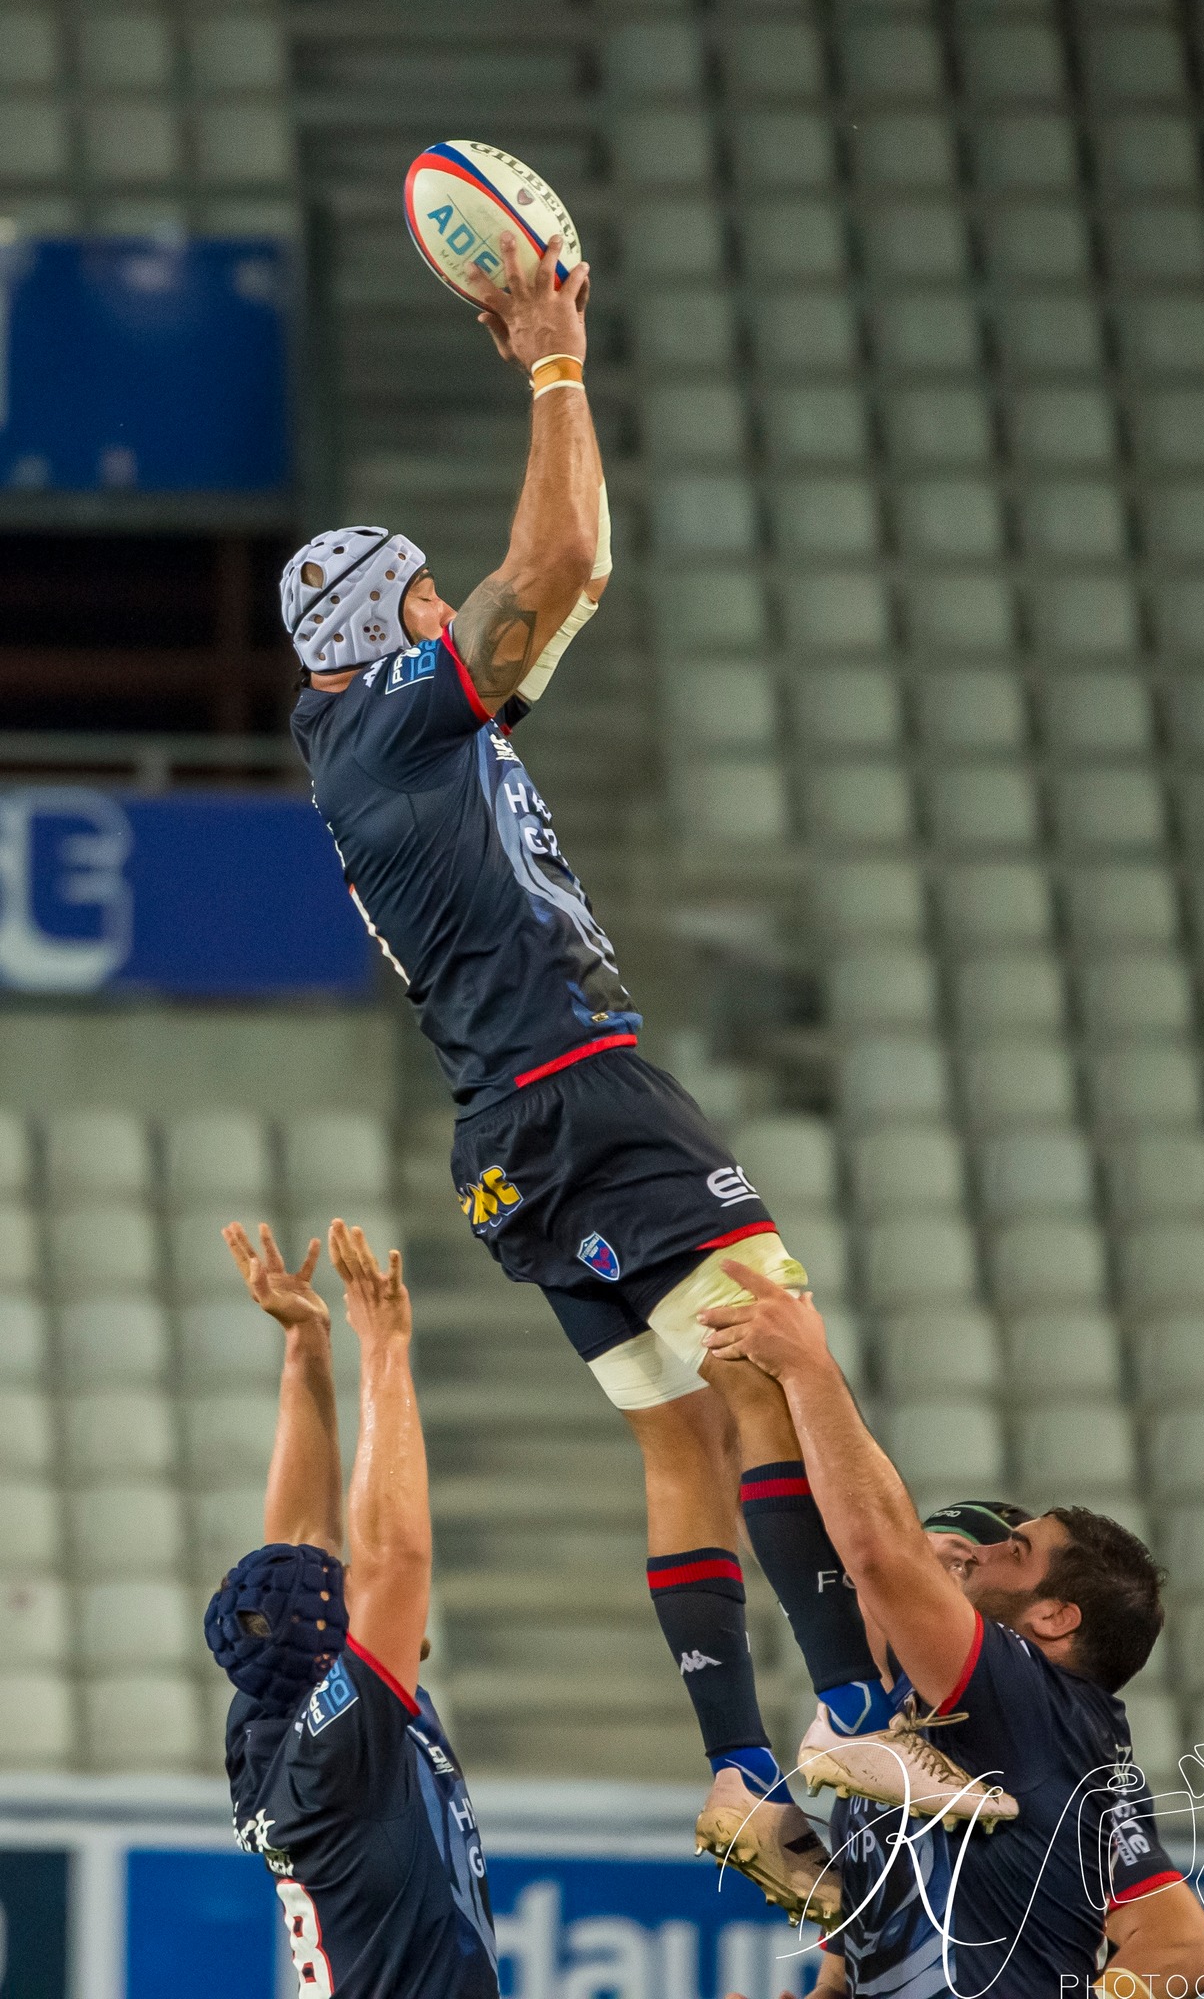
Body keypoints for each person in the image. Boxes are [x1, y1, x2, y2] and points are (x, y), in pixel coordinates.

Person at [281, 226, 969, 1917]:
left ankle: (734, 1760)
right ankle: (860, 1714)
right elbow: (564, 562)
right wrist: (551, 363)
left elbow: (539, 598)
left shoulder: (368, 745)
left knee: (685, 1425)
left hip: (511, 1138)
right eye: (430, 592)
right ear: (390, 627)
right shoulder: (395, 720)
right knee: (775, 1359)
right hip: (581, 1086)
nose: (459, 602)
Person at [701, 1266, 1204, 1999]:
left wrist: (808, 1366)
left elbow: (1183, 1954)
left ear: (1051, 1618)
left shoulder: (1027, 1699)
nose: (978, 1551)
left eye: (1016, 1549)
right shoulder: (949, 1727)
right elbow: (865, 1953)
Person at [204, 1220, 498, 1999]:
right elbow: (395, 1560)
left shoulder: (272, 1707)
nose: (349, 1579)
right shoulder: (340, 1753)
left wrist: (307, 1344)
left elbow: (302, 1540)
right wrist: (385, 1350)